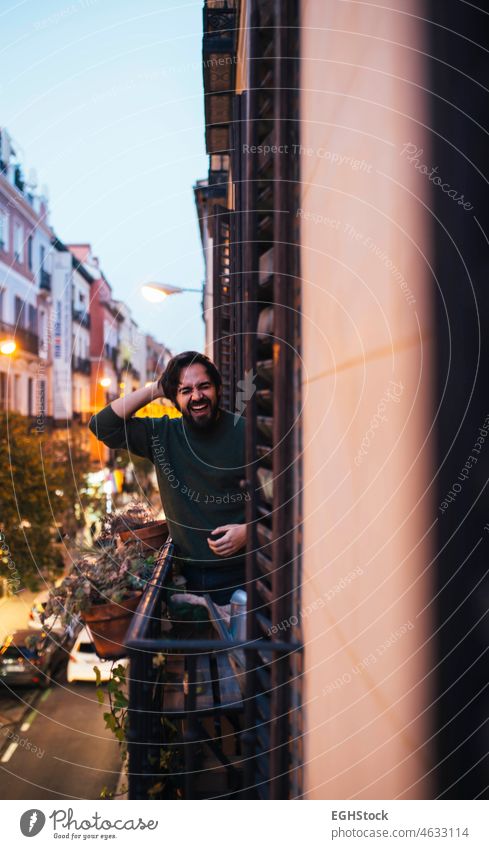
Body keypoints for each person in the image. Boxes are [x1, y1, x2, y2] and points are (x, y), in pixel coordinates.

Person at [88, 351, 247, 604]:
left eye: (204, 386)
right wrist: (158, 388)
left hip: (245, 570)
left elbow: (284, 495)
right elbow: (102, 426)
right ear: (174, 397)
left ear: (218, 388)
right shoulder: (162, 435)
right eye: (185, 390)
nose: (196, 396)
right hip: (189, 576)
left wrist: (250, 530)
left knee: (245, 642)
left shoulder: (244, 432)